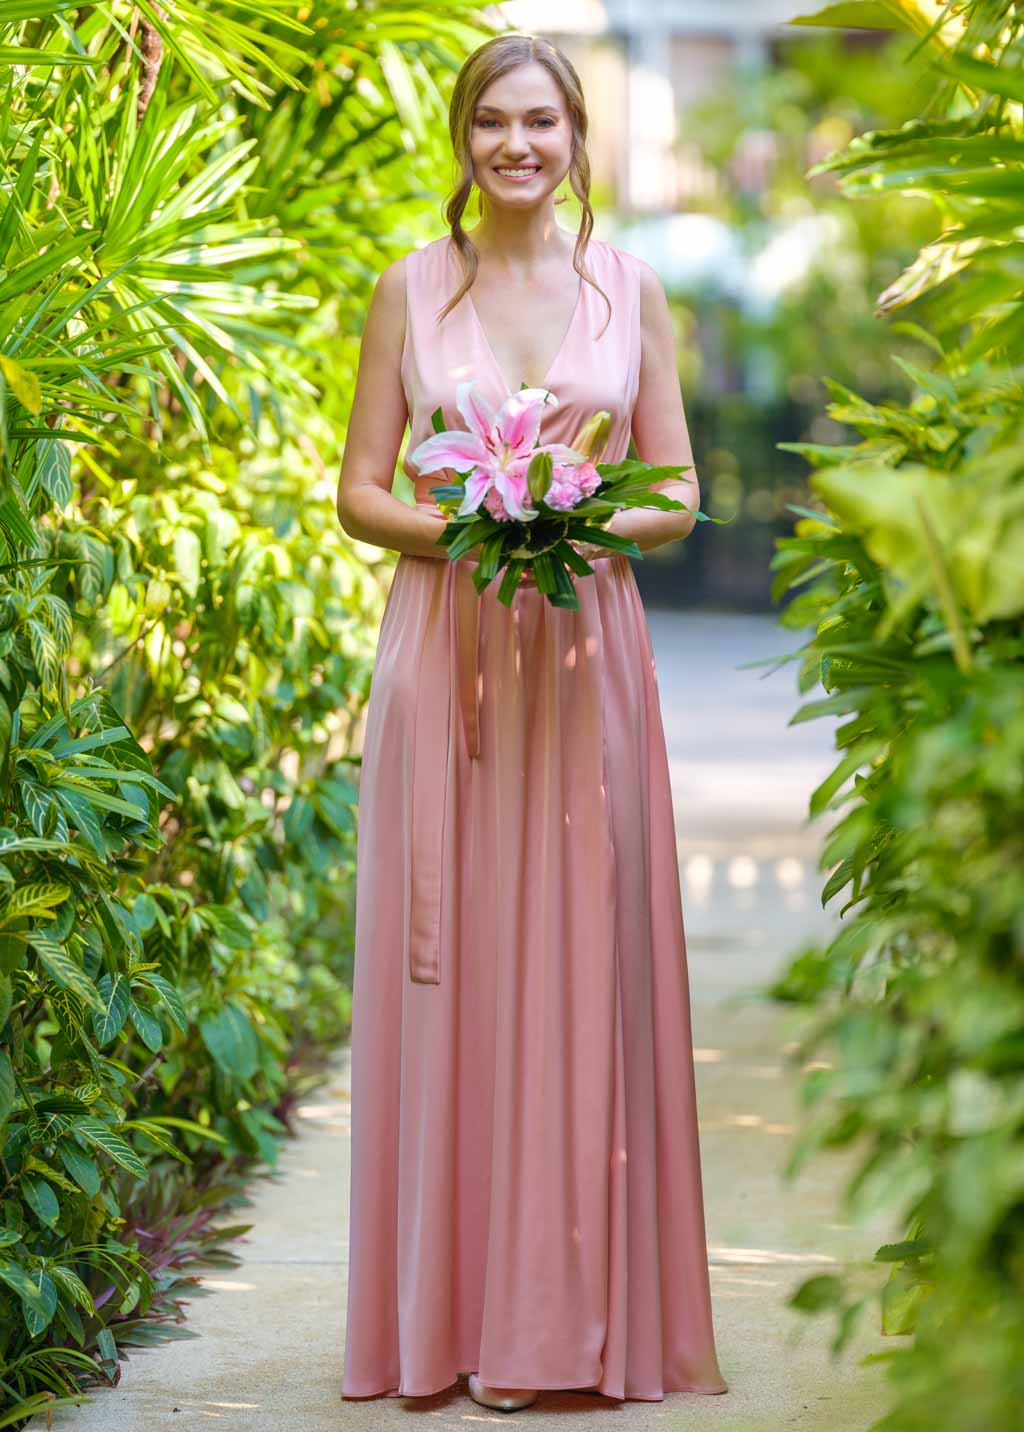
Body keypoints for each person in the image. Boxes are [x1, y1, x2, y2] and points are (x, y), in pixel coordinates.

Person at [335, 30, 729, 1413]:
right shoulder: (406, 287)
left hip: (583, 658)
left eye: (541, 123)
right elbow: (360, 491)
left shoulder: (633, 291)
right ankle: (443, 1326)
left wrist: (566, 519)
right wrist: (477, 527)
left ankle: (566, 1331)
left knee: (582, 968)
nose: (517, 144)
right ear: (463, 139)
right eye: (492, 122)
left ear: (575, 140)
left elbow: (678, 491)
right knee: (450, 975)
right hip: (444, 656)